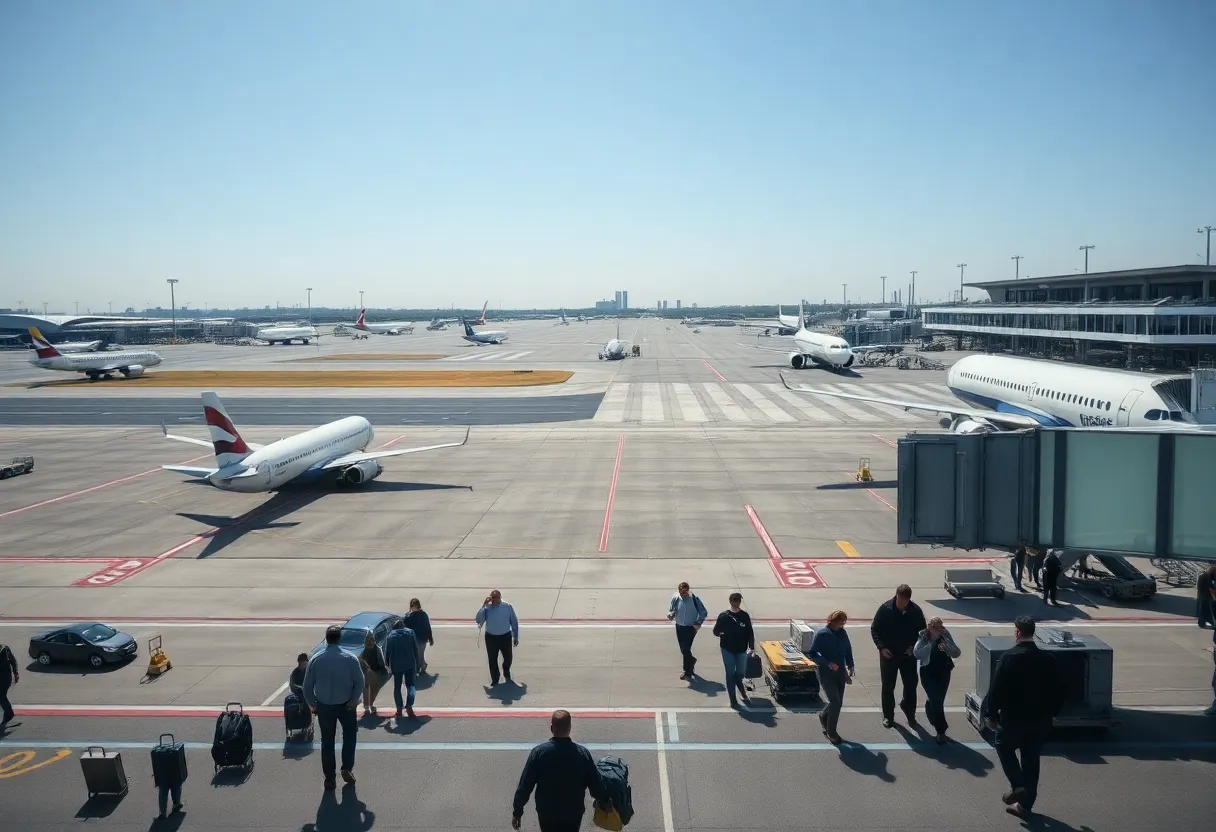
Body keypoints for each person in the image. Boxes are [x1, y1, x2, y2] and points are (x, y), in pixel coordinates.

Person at [981, 615, 1063, 820]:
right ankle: (1025, 806)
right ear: (1032, 632)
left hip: (1013, 718)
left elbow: (996, 689)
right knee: (1031, 759)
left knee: (1003, 746)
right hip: (1040, 720)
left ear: (1017, 632)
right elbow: (1059, 690)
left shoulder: (1009, 658)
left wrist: (991, 715)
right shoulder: (1048, 659)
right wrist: (1053, 713)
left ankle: (1018, 785)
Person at [511, 709, 609, 832]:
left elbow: (525, 786)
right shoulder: (582, 754)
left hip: (547, 813)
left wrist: (517, 812)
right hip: (573, 813)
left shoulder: (539, 753)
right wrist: (605, 800)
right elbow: (595, 784)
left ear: (551, 728)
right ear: (570, 728)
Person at [302, 625, 365, 789]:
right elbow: (360, 682)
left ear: (327, 638)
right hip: (346, 705)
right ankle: (347, 768)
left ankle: (329, 778)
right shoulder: (350, 658)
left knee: (327, 742)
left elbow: (306, 686)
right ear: (339, 639)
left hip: (324, 706)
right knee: (350, 736)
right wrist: (353, 700)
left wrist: (313, 704)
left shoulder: (316, 659)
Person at [870, 584, 927, 728]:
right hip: (889, 655)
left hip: (908, 655)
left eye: (904, 600)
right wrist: (881, 647)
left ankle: (910, 712)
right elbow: (875, 629)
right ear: (896, 596)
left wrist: (913, 646)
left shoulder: (915, 611)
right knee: (888, 686)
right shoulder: (885, 609)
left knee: (911, 685)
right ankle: (888, 716)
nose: (901, 603)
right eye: (899, 599)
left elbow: (923, 633)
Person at [808, 610, 854, 745]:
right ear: (834, 621)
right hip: (826, 673)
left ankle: (824, 715)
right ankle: (831, 732)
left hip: (840, 672)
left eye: (844, 622)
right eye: (841, 622)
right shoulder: (822, 634)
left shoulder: (842, 633)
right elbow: (812, 653)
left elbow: (848, 649)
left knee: (838, 702)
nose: (843, 624)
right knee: (835, 701)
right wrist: (827, 663)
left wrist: (851, 665)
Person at [914, 616, 962, 744]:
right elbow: (917, 653)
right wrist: (930, 645)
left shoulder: (945, 635)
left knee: (937, 700)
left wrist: (946, 646)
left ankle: (930, 708)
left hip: (943, 672)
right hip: (928, 673)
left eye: (941, 627)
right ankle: (941, 731)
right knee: (937, 700)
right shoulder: (923, 636)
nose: (940, 630)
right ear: (930, 627)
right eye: (937, 628)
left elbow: (956, 653)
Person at [711, 592, 755, 708]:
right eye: (735, 600)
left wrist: (751, 646)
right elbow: (715, 631)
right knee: (730, 674)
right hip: (727, 649)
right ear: (731, 602)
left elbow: (750, 632)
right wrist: (721, 633)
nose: (737, 602)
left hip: (741, 649)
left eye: (738, 600)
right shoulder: (724, 616)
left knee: (740, 673)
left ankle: (740, 687)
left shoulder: (744, 616)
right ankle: (733, 699)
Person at [476, 589, 519, 686]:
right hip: (491, 638)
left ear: (500, 598)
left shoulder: (507, 607)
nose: (495, 600)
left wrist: (515, 636)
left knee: (508, 657)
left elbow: (514, 621)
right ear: (490, 598)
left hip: (505, 636)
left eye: (497, 598)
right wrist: (484, 605)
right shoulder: (487, 608)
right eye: (493, 598)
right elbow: (478, 619)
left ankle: (506, 669)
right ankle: (495, 678)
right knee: (492, 659)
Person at [667, 582, 708, 679]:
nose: (683, 594)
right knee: (683, 649)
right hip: (679, 626)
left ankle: (687, 671)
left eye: (685, 592)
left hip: (690, 627)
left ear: (688, 591)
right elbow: (672, 609)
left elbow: (703, 612)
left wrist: (698, 623)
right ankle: (692, 660)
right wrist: (671, 614)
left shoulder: (694, 599)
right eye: (681, 592)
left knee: (686, 649)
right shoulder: (676, 597)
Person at [384, 618, 420, 720]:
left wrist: (387, 663)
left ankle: (399, 709)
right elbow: (415, 649)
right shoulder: (410, 633)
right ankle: (409, 705)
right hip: (409, 663)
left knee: (397, 687)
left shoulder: (391, 635)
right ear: (403, 625)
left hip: (396, 665)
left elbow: (387, 651)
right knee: (411, 685)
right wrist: (418, 663)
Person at [358, 633, 388, 716]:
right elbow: (381, 661)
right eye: (367, 641)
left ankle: (369, 705)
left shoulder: (376, 649)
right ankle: (368, 706)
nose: (369, 642)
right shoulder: (367, 650)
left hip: (374, 671)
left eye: (370, 640)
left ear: (373, 641)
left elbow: (380, 661)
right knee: (369, 689)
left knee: (371, 689)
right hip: (369, 672)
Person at [403, 598, 433, 673]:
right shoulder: (412, 616)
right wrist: (407, 614)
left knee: (419, 654)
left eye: (414, 607)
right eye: (412, 607)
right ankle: (420, 666)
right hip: (414, 638)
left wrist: (430, 638)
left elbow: (428, 627)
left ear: (418, 606)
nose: (413, 609)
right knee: (417, 654)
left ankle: (421, 667)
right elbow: (405, 623)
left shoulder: (423, 615)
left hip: (422, 638)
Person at [0, 641, 18, 725]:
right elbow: (13, 661)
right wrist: (15, 673)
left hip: (3, 679)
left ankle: (9, 713)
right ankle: (8, 713)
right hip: (7, 677)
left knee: (1, 696)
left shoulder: (5, 649)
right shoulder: (5, 648)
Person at [1197, 565, 1215, 629]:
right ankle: (1204, 623)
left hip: (1201, 595)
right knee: (1205, 610)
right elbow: (1210, 587)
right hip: (1205, 596)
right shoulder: (1207, 577)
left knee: (1203, 610)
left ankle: (1202, 622)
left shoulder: (1202, 576)